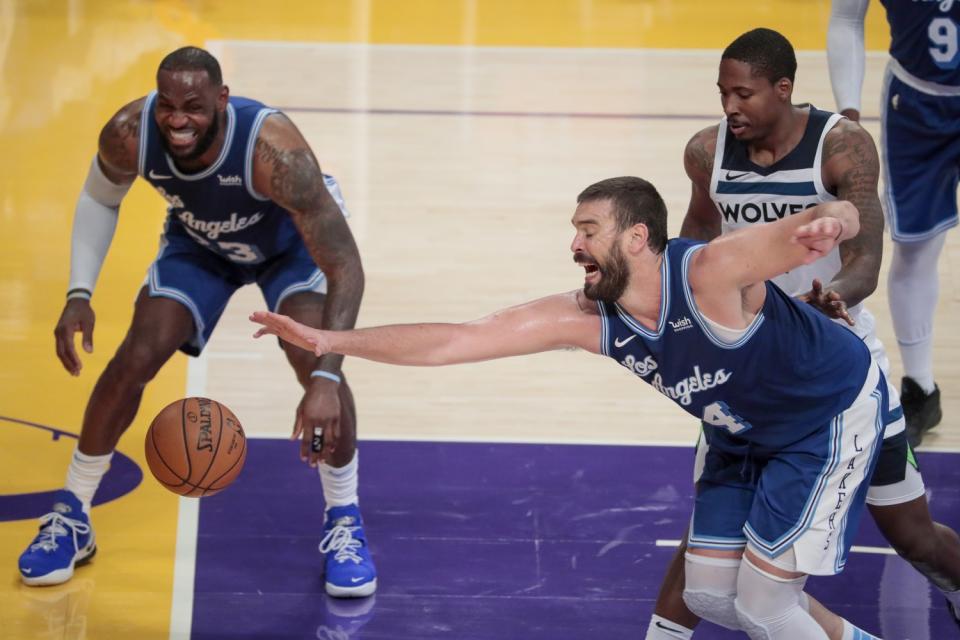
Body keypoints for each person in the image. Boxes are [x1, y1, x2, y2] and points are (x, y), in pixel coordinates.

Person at [253, 176, 885, 639]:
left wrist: (834, 223)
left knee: (769, 605)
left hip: (825, 415)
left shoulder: (712, 275)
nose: (574, 246)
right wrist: (330, 343)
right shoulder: (591, 318)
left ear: (637, 237)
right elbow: (457, 339)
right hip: (740, 433)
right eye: (574, 232)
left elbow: (836, 214)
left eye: (588, 231)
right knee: (714, 596)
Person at [18, 46, 377, 598]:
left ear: (222, 100)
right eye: (167, 104)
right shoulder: (129, 133)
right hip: (202, 244)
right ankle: (71, 515)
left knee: (312, 357)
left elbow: (346, 264)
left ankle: (345, 518)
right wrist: (78, 292)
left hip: (290, 248)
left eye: (194, 106)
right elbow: (99, 199)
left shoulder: (273, 152)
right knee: (136, 354)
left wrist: (328, 377)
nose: (178, 119)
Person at [644, 28, 960, 639]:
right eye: (722, 93)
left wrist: (833, 298)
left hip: (840, 368)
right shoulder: (708, 153)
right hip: (748, 371)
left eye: (743, 93)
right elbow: (694, 248)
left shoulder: (841, 147)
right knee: (710, 529)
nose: (729, 106)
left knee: (912, 535)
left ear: (783, 89)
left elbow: (867, 256)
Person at [828, 0, 960, 447]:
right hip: (916, 103)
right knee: (916, 248)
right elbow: (848, 16)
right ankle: (921, 388)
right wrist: (848, 110)